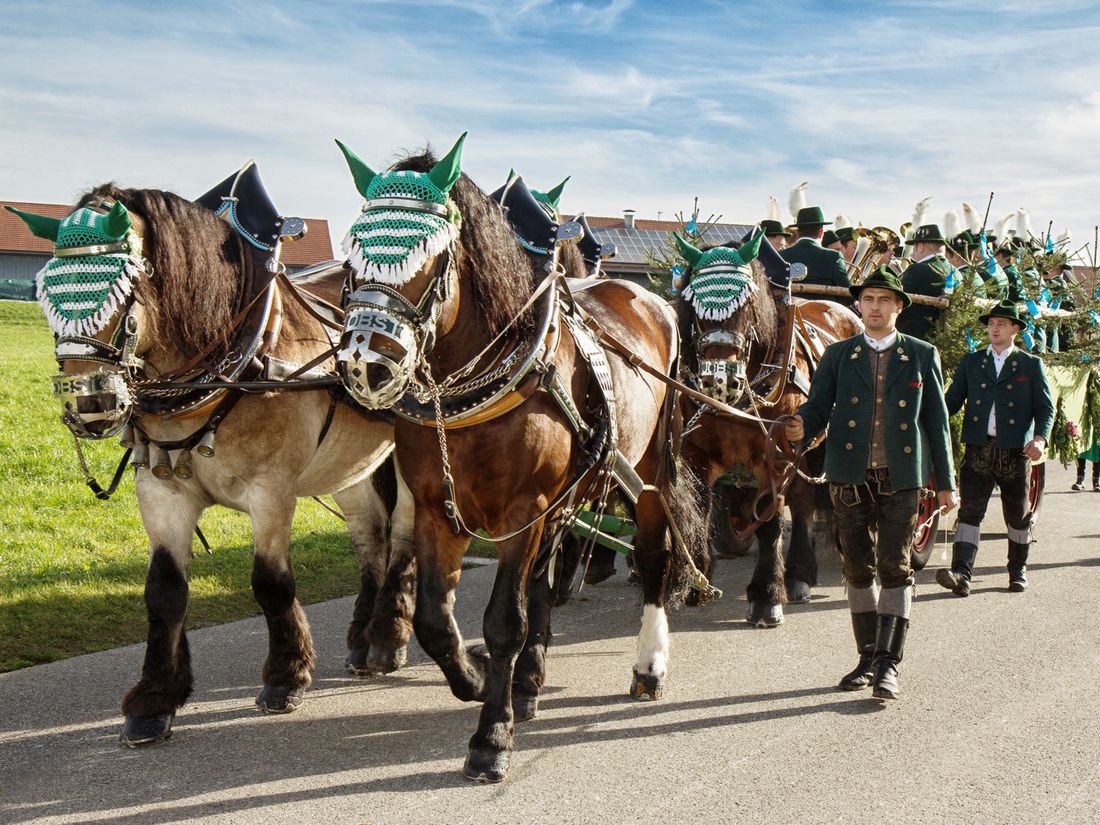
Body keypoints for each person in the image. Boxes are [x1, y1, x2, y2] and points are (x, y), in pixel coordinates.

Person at [785, 267, 958, 701]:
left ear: (898, 306)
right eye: (868, 299)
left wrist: (946, 483)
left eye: (883, 300)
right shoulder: (839, 355)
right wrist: (800, 425)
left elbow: (937, 423)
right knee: (857, 569)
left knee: (895, 567)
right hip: (848, 477)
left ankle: (888, 665)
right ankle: (866, 657)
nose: (875, 307)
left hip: (902, 478)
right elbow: (817, 408)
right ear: (859, 306)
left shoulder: (922, 354)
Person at [936, 301, 1054, 596]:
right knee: (970, 513)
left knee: (1017, 516)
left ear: (1015, 329)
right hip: (978, 448)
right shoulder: (972, 362)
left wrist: (1040, 439)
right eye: (991, 324)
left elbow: (1045, 408)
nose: (994, 329)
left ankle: (1017, 569)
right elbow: (950, 402)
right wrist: (928, 421)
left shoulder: (1030, 364)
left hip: (1015, 451)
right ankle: (961, 573)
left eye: (1001, 324)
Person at [897, 223, 959, 340]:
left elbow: (897, 298)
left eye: (914, 247)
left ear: (920, 247)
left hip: (916, 337)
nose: (913, 252)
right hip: (948, 337)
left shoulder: (917, 269)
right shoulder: (957, 272)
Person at [780, 205, 851, 304]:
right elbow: (848, 298)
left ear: (797, 232)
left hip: (787, 311)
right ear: (821, 232)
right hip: (825, 311)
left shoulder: (780, 256)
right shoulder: (834, 257)